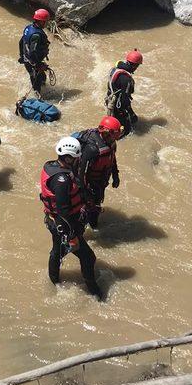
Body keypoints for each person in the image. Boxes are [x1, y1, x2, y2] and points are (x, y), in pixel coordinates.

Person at [40, 136, 103, 300]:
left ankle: (54, 282)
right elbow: (63, 210)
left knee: (57, 251)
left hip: (56, 223)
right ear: (68, 158)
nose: (78, 160)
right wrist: (72, 235)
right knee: (88, 257)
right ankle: (94, 293)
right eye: (76, 158)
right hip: (63, 226)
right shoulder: (61, 180)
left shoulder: (52, 166)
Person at [76, 115, 122, 228]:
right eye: (115, 135)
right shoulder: (92, 149)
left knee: (95, 208)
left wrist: (115, 175)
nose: (116, 138)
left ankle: (93, 226)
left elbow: (112, 158)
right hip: (89, 185)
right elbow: (82, 175)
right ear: (106, 133)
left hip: (100, 182)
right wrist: (87, 196)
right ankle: (85, 233)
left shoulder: (110, 142)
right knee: (87, 211)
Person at [106, 50, 143, 137]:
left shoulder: (117, 68)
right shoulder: (125, 79)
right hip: (118, 105)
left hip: (110, 98)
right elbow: (124, 99)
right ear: (135, 65)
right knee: (126, 131)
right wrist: (131, 113)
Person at [19, 9, 51, 96]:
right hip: (32, 62)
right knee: (36, 82)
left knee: (43, 78)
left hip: (28, 59)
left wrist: (22, 56)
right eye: (45, 21)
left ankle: (41, 94)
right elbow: (33, 51)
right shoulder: (36, 35)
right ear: (41, 21)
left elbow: (21, 41)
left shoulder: (29, 28)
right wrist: (38, 65)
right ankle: (38, 99)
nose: (47, 23)